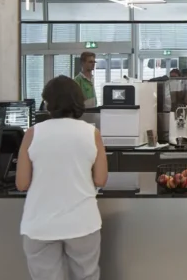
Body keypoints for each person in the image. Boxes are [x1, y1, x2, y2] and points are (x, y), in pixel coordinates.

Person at [17, 75, 108, 280]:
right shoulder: (92, 133)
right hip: (82, 221)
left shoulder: (32, 134)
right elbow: (100, 179)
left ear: (48, 102)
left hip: (40, 224)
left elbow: (22, 183)